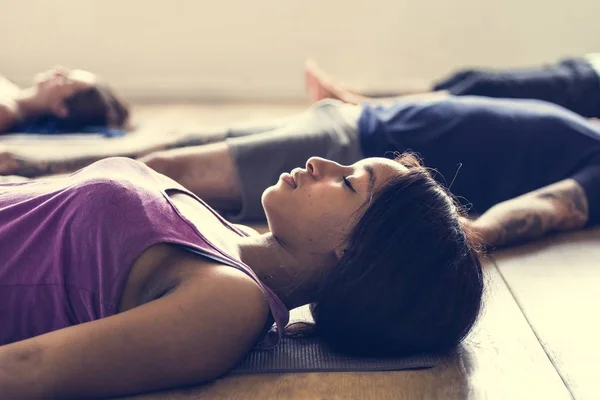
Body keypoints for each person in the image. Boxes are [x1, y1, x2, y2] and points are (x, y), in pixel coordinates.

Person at [0, 155, 484, 398]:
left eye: (349, 182)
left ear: (355, 251)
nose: (321, 163)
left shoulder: (228, 304)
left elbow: (31, 368)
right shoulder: (232, 233)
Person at [2, 58, 599, 250]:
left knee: (163, 173)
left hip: (357, 149)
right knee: (188, 150)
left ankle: (32, 195)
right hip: (358, 128)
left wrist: (456, 238)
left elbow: (549, 208)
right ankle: (35, 173)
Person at [305, 54, 600, 118]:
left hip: (589, 85)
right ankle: (359, 97)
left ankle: (359, 104)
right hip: (587, 68)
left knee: (482, 87)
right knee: (465, 78)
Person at [0, 66, 130, 136]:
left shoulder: (5, 112)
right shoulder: (11, 90)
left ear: (61, 108)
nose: (58, 70)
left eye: (66, 79)